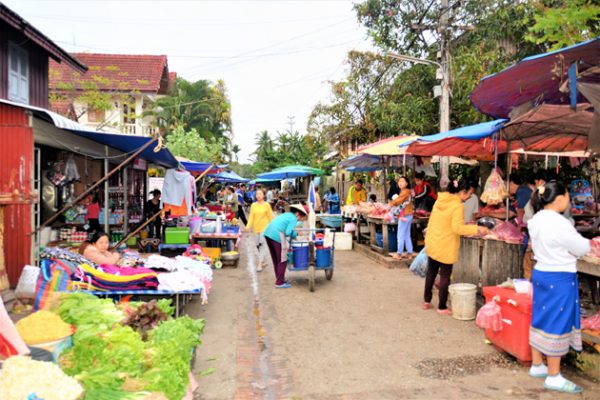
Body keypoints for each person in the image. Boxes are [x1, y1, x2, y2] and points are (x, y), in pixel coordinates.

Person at [527, 181, 589, 394]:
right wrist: (588, 244)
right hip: (560, 277)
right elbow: (581, 247)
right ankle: (553, 376)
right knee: (557, 323)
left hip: (541, 273)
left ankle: (537, 365)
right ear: (560, 199)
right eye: (568, 196)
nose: (569, 200)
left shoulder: (535, 220)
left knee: (540, 317)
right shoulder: (560, 224)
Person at [423, 178, 490, 314]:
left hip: (434, 241)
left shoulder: (440, 200)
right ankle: (442, 307)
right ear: (462, 192)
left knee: (431, 271)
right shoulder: (457, 205)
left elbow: (433, 221)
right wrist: (477, 229)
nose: (470, 197)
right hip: (446, 244)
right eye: (469, 194)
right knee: (445, 276)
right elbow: (457, 228)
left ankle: (427, 300)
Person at [263, 204, 309, 288]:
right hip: (277, 235)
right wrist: (297, 234)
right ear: (298, 214)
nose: (300, 219)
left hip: (268, 233)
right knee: (283, 259)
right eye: (301, 217)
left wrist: (294, 234)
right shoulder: (293, 218)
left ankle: (279, 278)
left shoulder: (287, 214)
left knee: (276, 259)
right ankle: (279, 282)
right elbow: (288, 232)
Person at [246, 188, 275, 272]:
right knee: (257, 245)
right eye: (257, 194)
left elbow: (271, 217)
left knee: (262, 245)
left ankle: (259, 263)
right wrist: (248, 226)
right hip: (256, 229)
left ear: (263, 195)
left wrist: (274, 226)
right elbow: (251, 217)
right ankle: (263, 260)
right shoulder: (253, 205)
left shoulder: (267, 205)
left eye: (260, 194)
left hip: (265, 229)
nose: (258, 195)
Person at [389, 177, 414, 260]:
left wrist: (390, 204)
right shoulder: (407, 191)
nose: (400, 183)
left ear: (406, 183)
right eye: (399, 181)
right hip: (409, 215)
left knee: (400, 235)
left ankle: (399, 254)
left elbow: (398, 200)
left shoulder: (405, 191)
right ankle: (409, 253)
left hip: (404, 216)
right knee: (407, 235)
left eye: (402, 181)